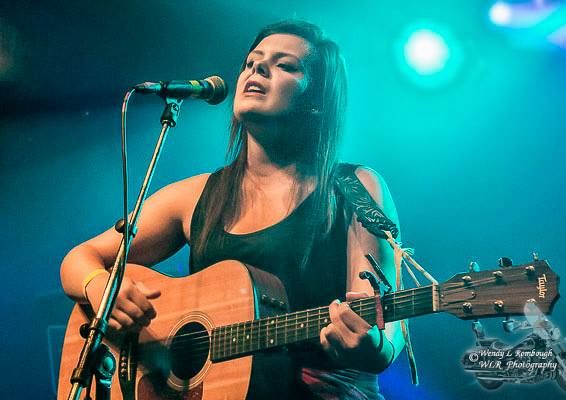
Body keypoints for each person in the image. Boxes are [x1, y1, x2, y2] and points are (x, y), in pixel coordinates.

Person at [60, 20, 405, 399]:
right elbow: (79, 258)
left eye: (284, 65)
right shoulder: (194, 196)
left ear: (317, 100)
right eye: (251, 62)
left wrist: (376, 346)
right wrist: (100, 287)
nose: (258, 69)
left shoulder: (354, 187)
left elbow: (383, 320)